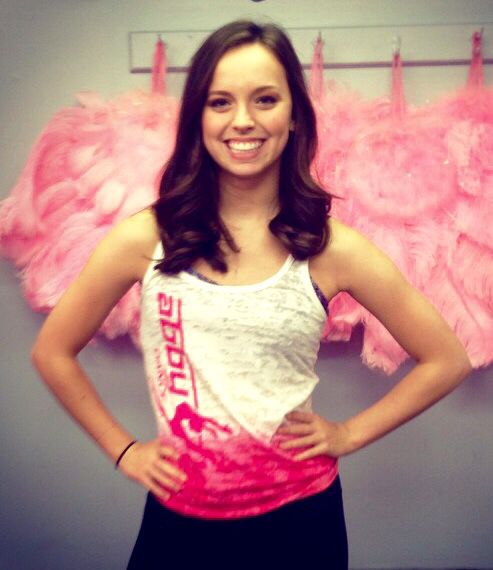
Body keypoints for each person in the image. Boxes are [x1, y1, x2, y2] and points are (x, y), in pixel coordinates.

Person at [31, 20, 472, 569]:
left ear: (293, 117)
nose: (243, 120)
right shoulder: (146, 237)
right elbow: (52, 351)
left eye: (265, 99)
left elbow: (446, 360)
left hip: (301, 523)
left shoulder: (335, 249)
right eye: (220, 102)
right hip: (180, 523)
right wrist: (124, 451)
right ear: (198, 119)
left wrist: (349, 432)